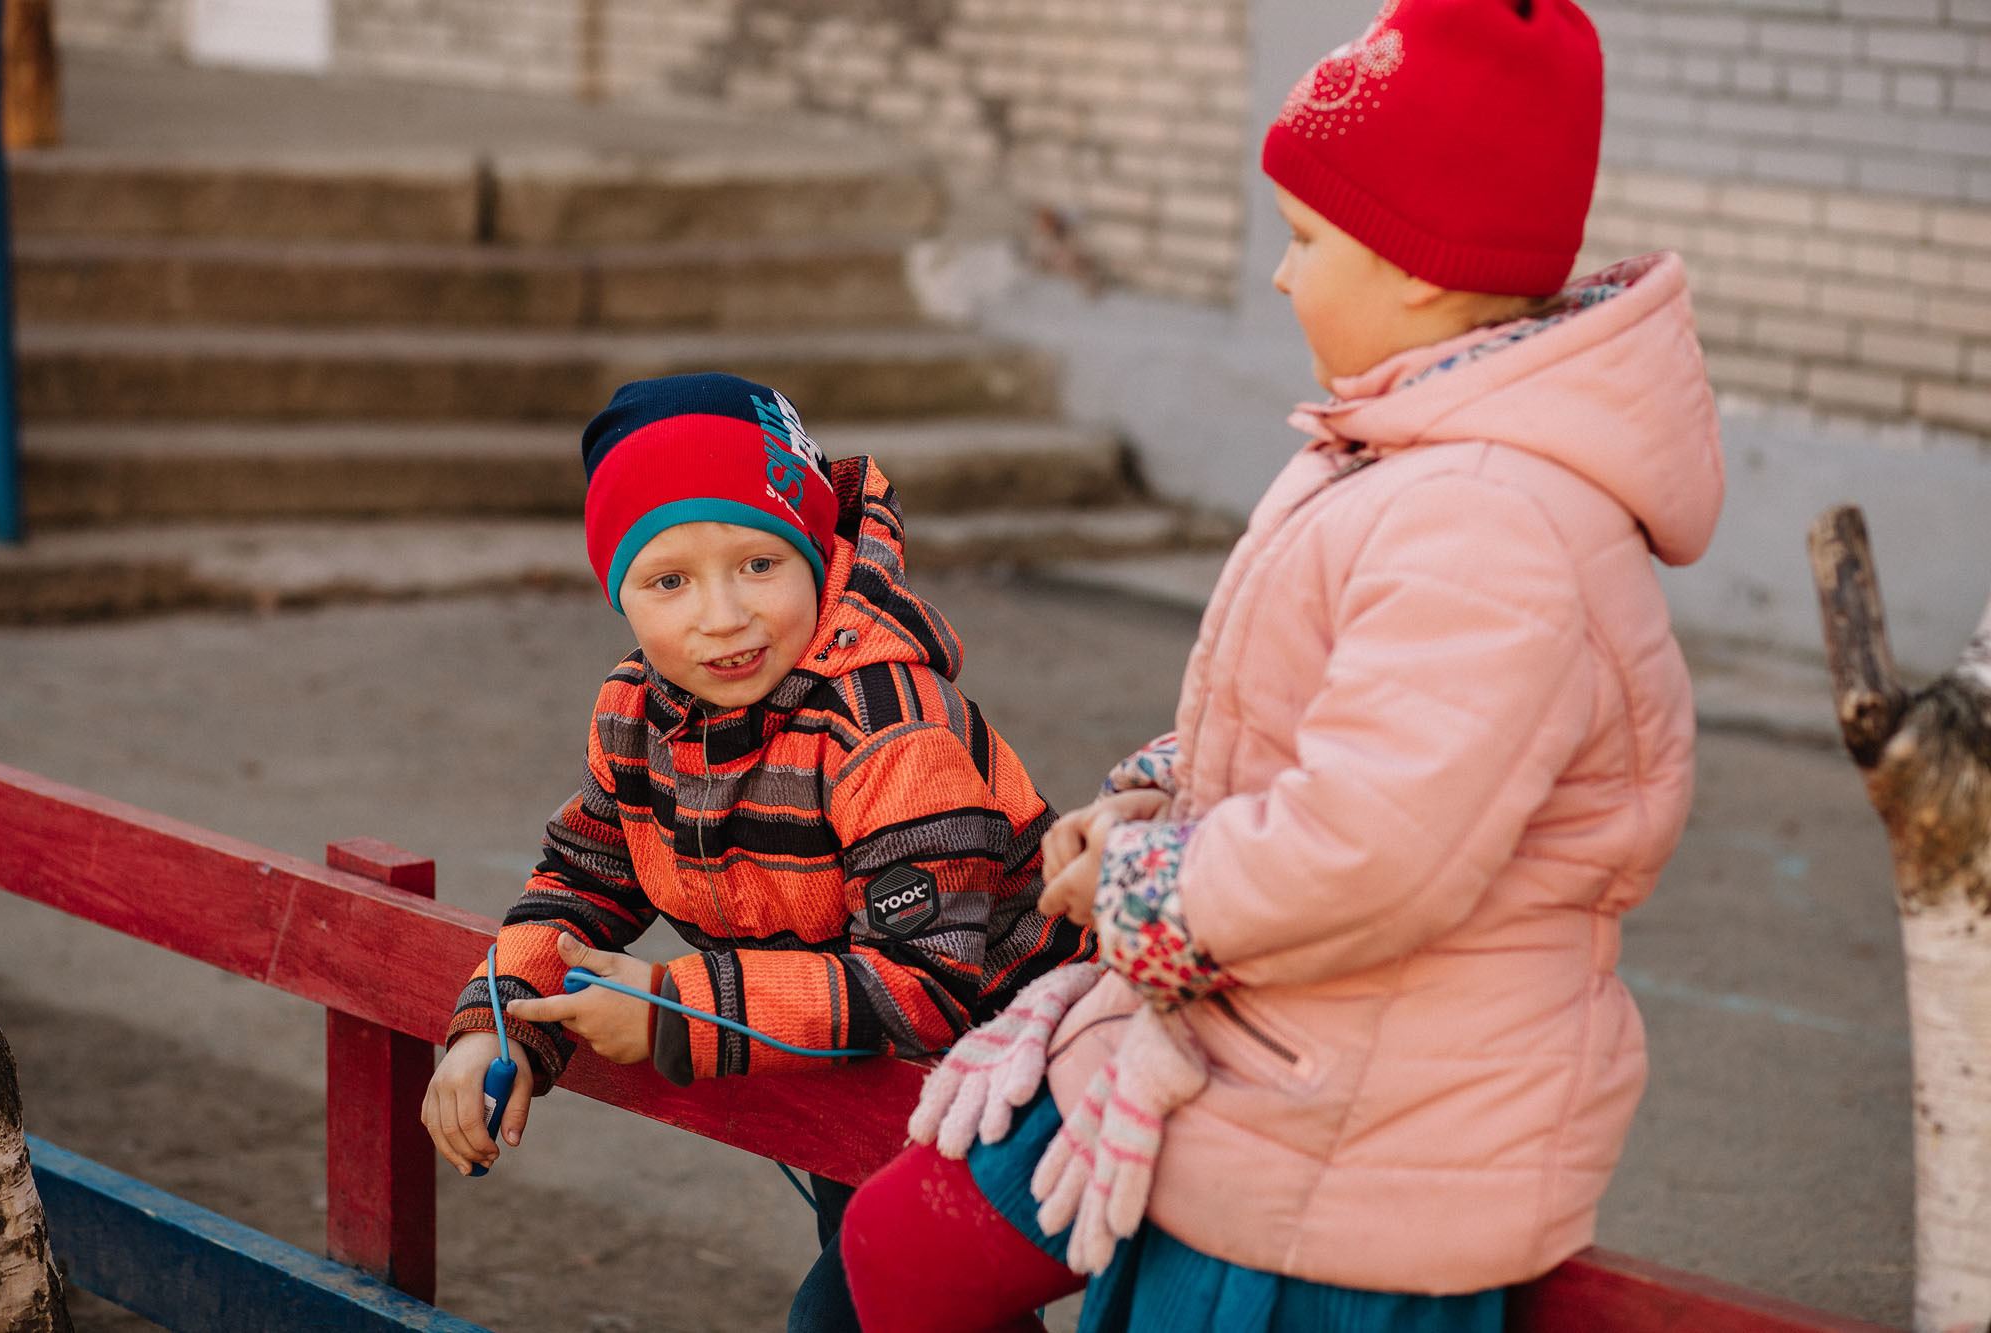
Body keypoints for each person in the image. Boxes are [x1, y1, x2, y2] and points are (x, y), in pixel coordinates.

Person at [831, 0, 1727, 1328]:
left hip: (1359, 1150)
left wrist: (1135, 883)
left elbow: (1371, 845)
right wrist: (1155, 796)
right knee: (906, 1250)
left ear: (1416, 267)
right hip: (1281, 1064)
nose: (1282, 276)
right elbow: (1319, 726)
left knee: (920, 1255)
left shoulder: (1492, 521)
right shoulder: (1411, 458)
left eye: (1307, 240)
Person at [419, 372, 1091, 1326]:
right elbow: (582, 876)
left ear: (817, 552)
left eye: (759, 564)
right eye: (669, 581)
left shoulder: (887, 730)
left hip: (1025, 1083)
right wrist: (496, 1020)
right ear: (620, 596)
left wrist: (672, 1008)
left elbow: (929, 984)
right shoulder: (638, 712)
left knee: (851, 1313)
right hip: (858, 1068)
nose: (723, 615)